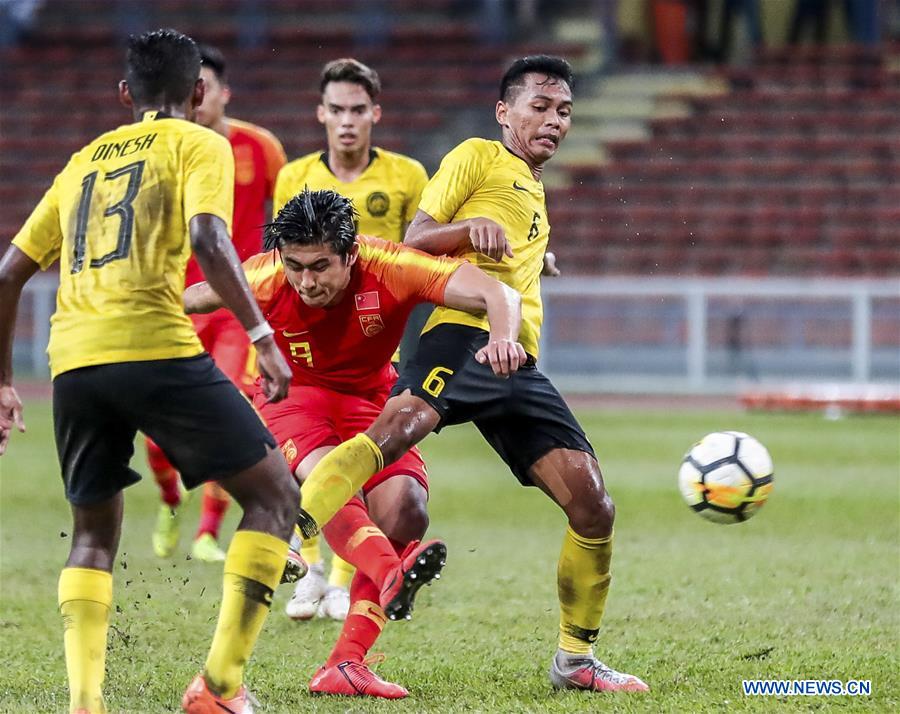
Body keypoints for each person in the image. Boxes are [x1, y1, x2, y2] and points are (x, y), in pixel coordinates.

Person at [289, 55, 649, 694]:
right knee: (395, 434)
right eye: (539, 106)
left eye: (564, 110)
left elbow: (505, 255)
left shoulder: (530, 188)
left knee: (594, 505)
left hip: (518, 362)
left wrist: (538, 262)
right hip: (463, 335)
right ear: (504, 112)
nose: (554, 120)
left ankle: (575, 662)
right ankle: (290, 533)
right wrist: (465, 228)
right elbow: (416, 236)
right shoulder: (479, 156)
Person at [0, 29, 298, 714]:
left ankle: (85, 703)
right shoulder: (202, 142)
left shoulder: (82, 162)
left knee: (93, 534)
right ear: (200, 93)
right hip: (155, 345)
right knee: (275, 496)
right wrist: (261, 332)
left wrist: (4, 383)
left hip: (74, 360)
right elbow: (208, 237)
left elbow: (9, 272)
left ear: (125, 94)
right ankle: (220, 687)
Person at [184, 187, 525, 698]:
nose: (305, 281)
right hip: (294, 398)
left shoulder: (391, 265)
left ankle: (344, 665)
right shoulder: (264, 274)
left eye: (320, 266)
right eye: (295, 265)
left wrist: (503, 337)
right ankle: (392, 574)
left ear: (350, 254)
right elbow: (185, 298)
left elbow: (501, 294)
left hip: (371, 398)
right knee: (334, 484)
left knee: (407, 512)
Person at [273, 58, 429, 621]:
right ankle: (313, 570)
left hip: (373, 340)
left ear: (375, 114)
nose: (346, 121)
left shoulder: (408, 176)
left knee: (361, 460)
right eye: (336, 109)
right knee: (314, 459)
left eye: (357, 109)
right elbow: (282, 265)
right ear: (320, 113)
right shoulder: (294, 178)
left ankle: (343, 581)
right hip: (310, 344)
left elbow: (424, 252)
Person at [147, 43, 288, 565]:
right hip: (175, 303)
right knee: (157, 432)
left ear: (222, 93)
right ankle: (168, 502)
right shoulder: (166, 151)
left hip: (233, 306)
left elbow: (289, 206)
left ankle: (209, 531)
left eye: (205, 89)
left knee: (232, 405)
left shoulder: (260, 147)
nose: (198, 99)